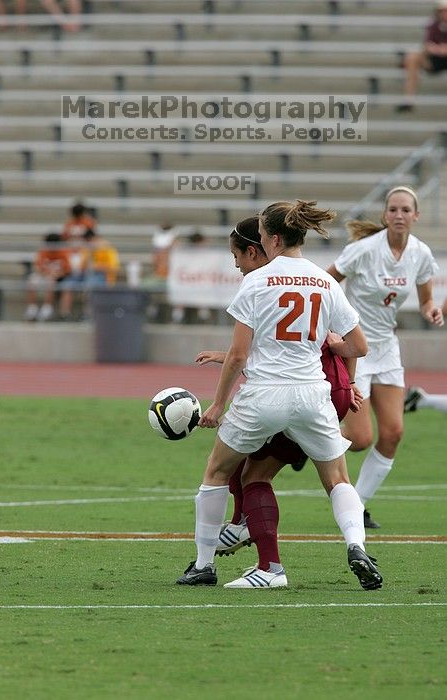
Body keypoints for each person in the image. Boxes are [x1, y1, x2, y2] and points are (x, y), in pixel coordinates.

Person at [176, 200, 383, 592]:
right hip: (312, 395)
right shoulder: (324, 280)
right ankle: (357, 547)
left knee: (218, 471)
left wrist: (218, 405)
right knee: (338, 479)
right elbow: (358, 346)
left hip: (265, 394)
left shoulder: (256, 281)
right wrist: (332, 346)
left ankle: (205, 565)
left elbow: (239, 355)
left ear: (271, 238)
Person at [327, 186, 444, 529]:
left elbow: (425, 301)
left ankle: (357, 507)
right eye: (393, 209)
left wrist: (431, 312)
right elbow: (326, 281)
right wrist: (331, 327)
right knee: (360, 439)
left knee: (392, 433)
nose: (398, 215)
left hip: (387, 349)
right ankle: (304, 438)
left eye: (406, 210)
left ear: (415, 216)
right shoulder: (363, 250)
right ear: (385, 214)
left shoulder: (420, 254)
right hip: (355, 348)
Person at [397, 1, 447, 112]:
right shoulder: (434, 25)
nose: (445, 14)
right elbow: (427, 44)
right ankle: (409, 100)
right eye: (443, 11)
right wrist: (438, 49)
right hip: (435, 60)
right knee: (411, 58)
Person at [59, 228, 120, 319]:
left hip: (102, 277)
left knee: (90, 283)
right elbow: (82, 267)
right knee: (68, 284)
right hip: (85, 275)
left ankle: (87, 314)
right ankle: (65, 314)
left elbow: (113, 268)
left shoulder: (107, 248)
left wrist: (95, 266)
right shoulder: (87, 249)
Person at [24, 232, 72, 321]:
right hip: (44, 275)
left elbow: (67, 270)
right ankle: (32, 308)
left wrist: (56, 274)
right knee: (32, 280)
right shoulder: (43, 251)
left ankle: (47, 308)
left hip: (58, 277)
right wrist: (47, 273)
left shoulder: (64, 252)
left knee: (51, 281)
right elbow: (39, 267)